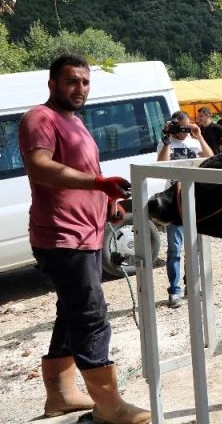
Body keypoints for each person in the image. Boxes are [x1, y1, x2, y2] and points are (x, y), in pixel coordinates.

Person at [18, 54, 150, 423]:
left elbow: (87, 170)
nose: (79, 88)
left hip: (87, 233)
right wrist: (97, 183)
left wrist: (106, 197)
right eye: (71, 81)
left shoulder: (74, 121)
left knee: (71, 311)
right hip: (60, 235)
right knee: (91, 315)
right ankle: (109, 404)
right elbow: (40, 167)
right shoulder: (39, 118)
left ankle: (60, 396)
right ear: (52, 84)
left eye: (85, 82)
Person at [157, 111, 213, 308]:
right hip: (174, 202)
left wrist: (199, 136)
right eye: (179, 128)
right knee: (174, 250)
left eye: (185, 128)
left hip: (195, 199)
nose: (182, 133)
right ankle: (174, 291)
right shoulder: (167, 143)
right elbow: (161, 165)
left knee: (195, 248)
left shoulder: (194, 141)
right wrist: (166, 141)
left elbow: (210, 157)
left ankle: (192, 285)